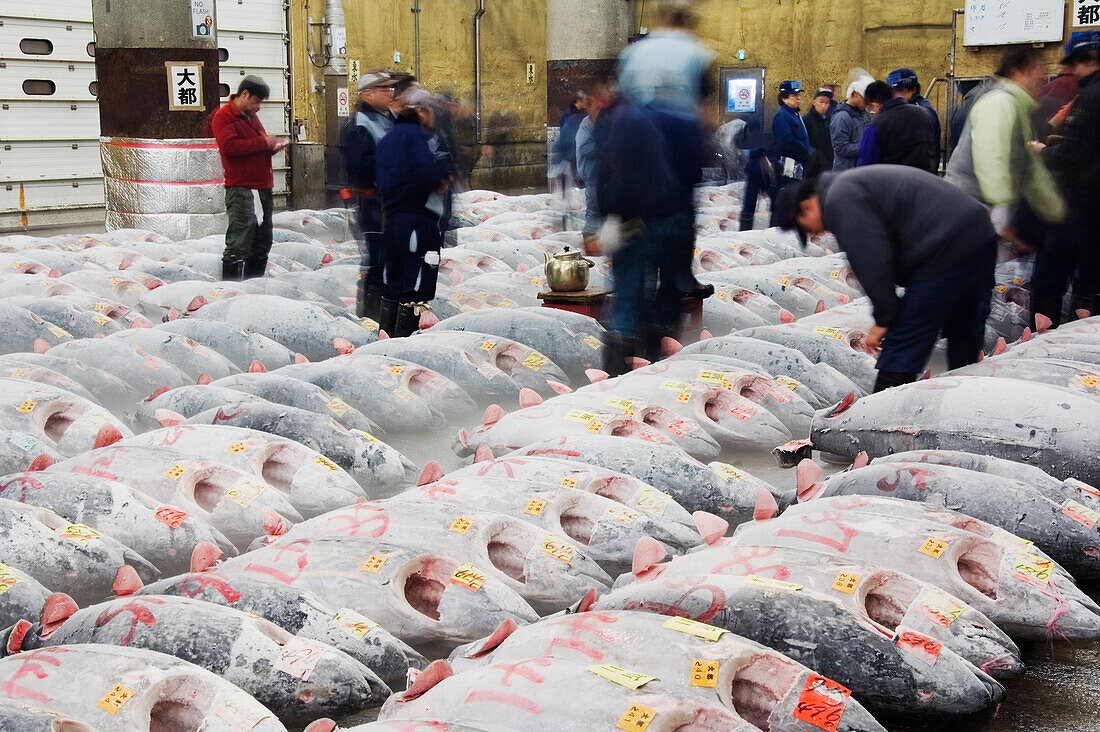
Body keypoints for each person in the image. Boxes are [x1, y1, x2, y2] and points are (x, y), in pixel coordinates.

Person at [776, 166, 997, 392]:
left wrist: (885, 318)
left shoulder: (840, 199)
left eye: (807, 230)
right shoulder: (848, 185)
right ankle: (964, 401)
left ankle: (877, 418)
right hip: (978, 233)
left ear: (807, 207)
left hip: (944, 246)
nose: (817, 235)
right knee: (964, 329)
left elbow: (871, 259)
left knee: (903, 346)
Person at [593, 90, 679, 375]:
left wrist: (611, 219)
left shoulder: (624, 124)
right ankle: (650, 360)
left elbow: (617, 175)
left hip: (633, 221)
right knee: (642, 290)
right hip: (657, 217)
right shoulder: (646, 121)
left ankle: (618, 374)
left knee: (625, 297)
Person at [944, 47, 1065, 247]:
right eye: (1035, 69)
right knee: (966, 272)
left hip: (983, 210)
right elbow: (993, 155)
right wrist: (1000, 207)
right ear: (1015, 71)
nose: (1042, 77)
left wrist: (1057, 212)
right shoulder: (1000, 102)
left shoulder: (1017, 108)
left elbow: (1029, 169)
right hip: (972, 207)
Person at [375, 87, 451, 337]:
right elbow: (426, 172)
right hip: (419, 219)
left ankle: (385, 343)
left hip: (394, 219)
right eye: (431, 111)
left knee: (393, 283)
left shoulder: (387, 138)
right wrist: (441, 181)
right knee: (417, 286)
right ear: (421, 111)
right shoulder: (417, 137)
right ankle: (406, 347)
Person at [1041, 31, 1100, 320]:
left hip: (1088, 201)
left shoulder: (1090, 96)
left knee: (1085, 276)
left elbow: (1073, 154)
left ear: (1091, 58)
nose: (1074, 71)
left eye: (1077, 63)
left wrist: (1041, 152)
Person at [210, 75, 288, 281]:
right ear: (244, 94)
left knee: (262, 242)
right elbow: (230, 147)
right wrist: (265, 143)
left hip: (262, 188)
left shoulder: (250, 117)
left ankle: (254, 289)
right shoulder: (224, 116)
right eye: (256, 101)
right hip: (243, 190)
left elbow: (255, 146)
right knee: (240, 242)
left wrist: (272, 147)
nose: (258, 107)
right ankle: (231, 291)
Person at [345, 70, 396, 320]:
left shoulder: (392, 118)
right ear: (368, 94)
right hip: (375, 202)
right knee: (376, 261)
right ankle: (369, 316)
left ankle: (388, 312)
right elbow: (360, 166)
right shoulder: (360, 123)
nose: (390, 94)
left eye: (391, 89)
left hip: (394, 202)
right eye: (384, 89)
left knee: (392, 259)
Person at [617, 0, 716, 117]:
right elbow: (703, 102)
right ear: (688, 21)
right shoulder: (697, 53)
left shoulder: (633, 52)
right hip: (680, 125)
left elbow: (622, 95)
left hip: (637, 124)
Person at [740, 80, 810, 230]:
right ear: (784, 98)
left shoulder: (794, 115)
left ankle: (778, 231)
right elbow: (785, 140)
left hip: (793, 165)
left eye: (798, 95)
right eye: (793, 95)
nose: (797, 98)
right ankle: (769, 233)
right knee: (780, 202)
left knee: (784, 202)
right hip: (786, 165)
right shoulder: (783, 115)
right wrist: (805, 150)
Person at [857, 81, 937, 173]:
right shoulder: (923, 115)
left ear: (876, 105)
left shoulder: (876, 126)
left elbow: (866, 167)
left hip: (891, 184)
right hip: (923, 181)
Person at [887, 68, 942, 166]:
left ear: (912, 90)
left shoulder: (921, 112)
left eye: (897, 91)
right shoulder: (905, 110)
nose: (893, 97)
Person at [830, 74, 873, 171]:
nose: (867, 103)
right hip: (846, 172)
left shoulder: (863, 113)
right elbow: (840, 147)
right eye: (865, 99)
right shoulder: (842, 117)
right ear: (856, 94)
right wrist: (866, 146)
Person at [803, 88, 835, 179]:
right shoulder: (806, 120)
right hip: (813, 169)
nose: (824, 106)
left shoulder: (829, 120)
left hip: (828, 167)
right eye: (821, 102)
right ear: (814, 102)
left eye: (827, 103)